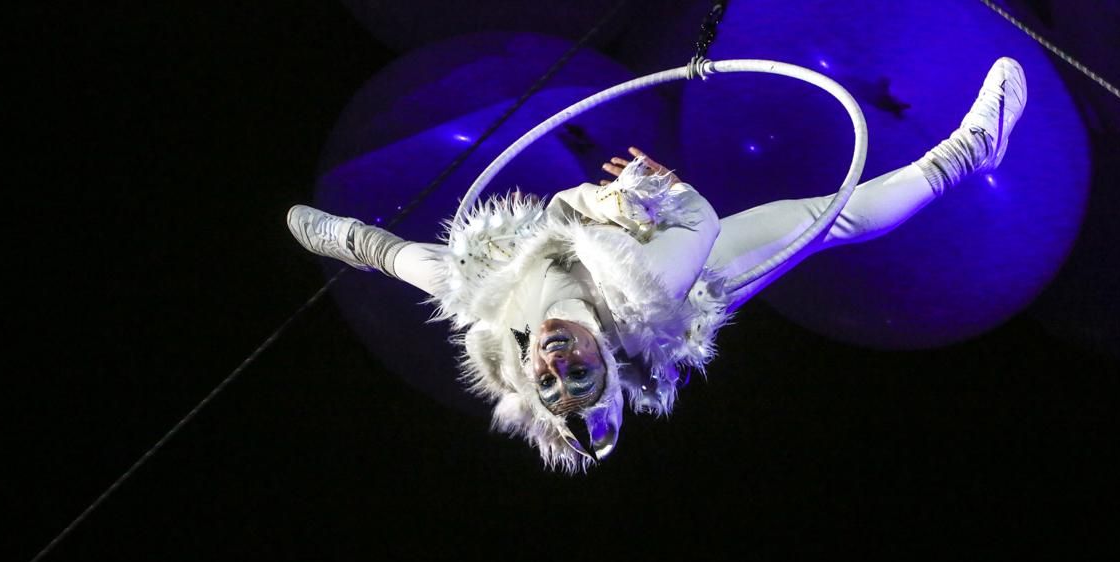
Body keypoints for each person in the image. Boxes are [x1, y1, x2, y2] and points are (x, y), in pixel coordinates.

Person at [287, 57, 1027, 472]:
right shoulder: (653, 299)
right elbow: (698, 220)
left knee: (444, 263)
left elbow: (399, 255)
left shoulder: (492, 304)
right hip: (685, 260)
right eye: (580, 374)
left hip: (584, 233)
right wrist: (659, 193)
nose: (556, 363)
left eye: (549, 383)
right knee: (828, 218)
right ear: (605, 363)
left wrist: (341, 237)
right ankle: (969, 154)